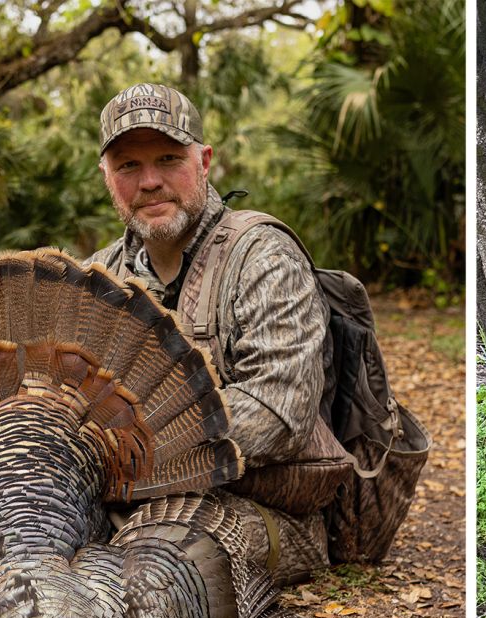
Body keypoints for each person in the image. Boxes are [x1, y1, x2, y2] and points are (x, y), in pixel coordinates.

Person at [86, 82, 338, 584]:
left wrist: (131, 455)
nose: (150, 181)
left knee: (155, 560)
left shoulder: (262, 256)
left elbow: (279, 410)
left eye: (167, 158)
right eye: (128, 166)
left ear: (204, 161)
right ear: (106, 177)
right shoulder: (99, 276)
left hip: (259, 509)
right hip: (121, 494)